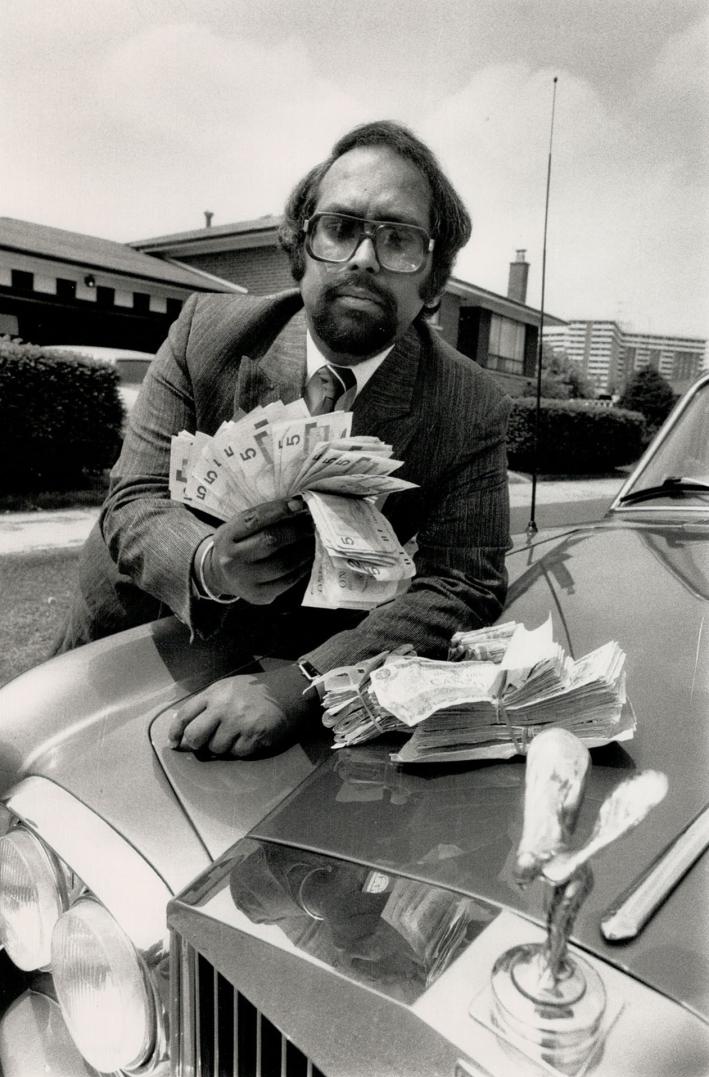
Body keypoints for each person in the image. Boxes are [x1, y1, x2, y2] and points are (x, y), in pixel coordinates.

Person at [55, 120, 511, 758]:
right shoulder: (204, 333)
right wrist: (212, 561)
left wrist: (301, 687)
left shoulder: (471, 405)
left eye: (398, 238)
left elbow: (464, 583)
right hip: (141, 628)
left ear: (431, 278)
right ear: (302, 246)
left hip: (302, 653)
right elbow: (134, 497)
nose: (362, 258)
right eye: (341, 227)